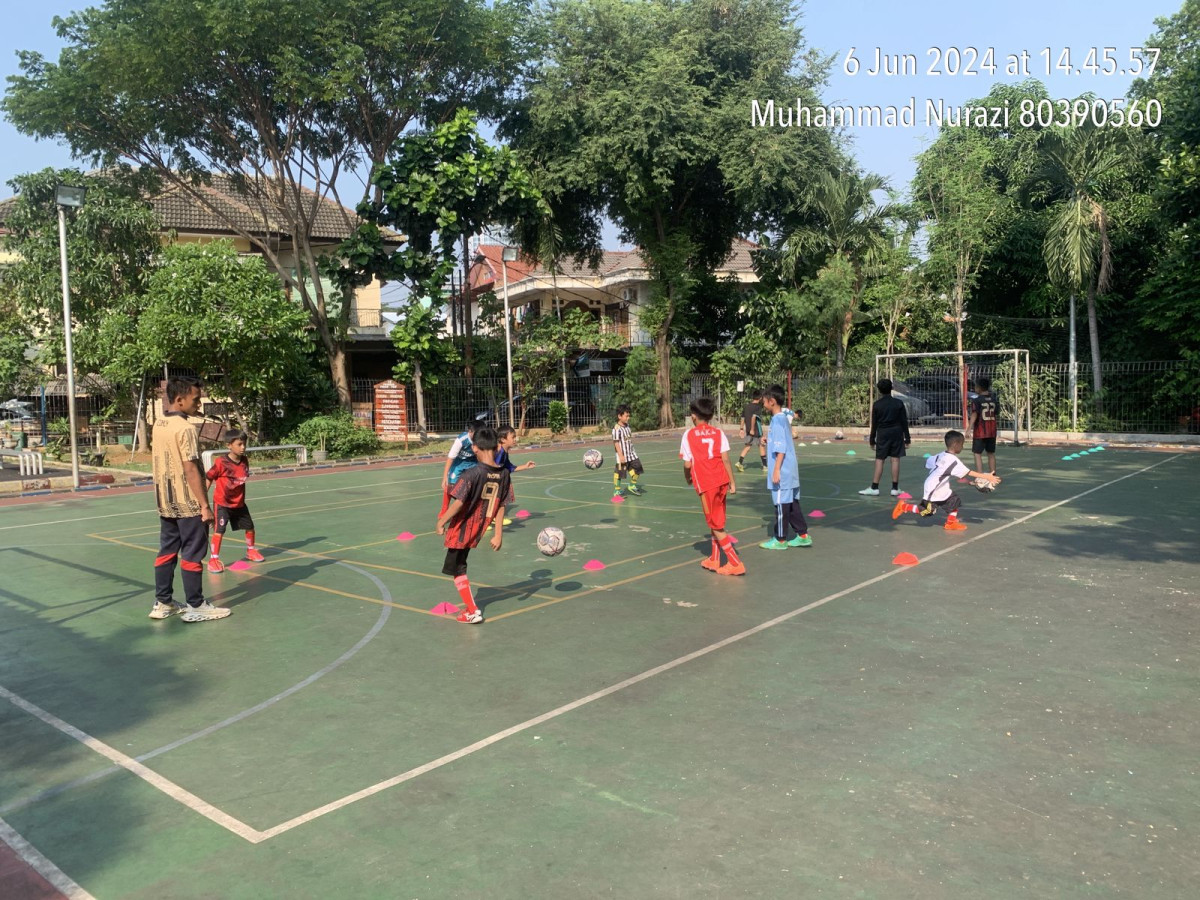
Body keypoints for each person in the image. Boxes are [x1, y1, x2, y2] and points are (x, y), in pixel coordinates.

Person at [148, 376, 230, 622]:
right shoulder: (185, 429)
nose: (199, 404)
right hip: (188, 502)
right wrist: (205, 505)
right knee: (194, 552)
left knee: (167, 551)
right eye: (196, 399)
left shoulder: (159, 423)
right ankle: (196, 605)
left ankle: (163, 602)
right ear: (179, 399)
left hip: (165, 500)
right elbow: (191, 468)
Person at [435, 426, 513, 625]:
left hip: (462, 528)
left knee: (457, 569)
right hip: (479, 527)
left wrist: (442, 520)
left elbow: (459, 502)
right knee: (459, 567)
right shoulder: (504, 473)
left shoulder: (471, 474)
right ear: (496, 446)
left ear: (476, 448)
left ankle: (472, 611)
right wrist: (498, 534)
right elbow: (503, 503)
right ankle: (471, 608)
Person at [680, 397, 744, 575]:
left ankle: (735, 562)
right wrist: (732, 482)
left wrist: (687, 478)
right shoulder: (718, 433)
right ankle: (715, 558)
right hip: (722, 481)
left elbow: (687, 464)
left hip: (706, 483)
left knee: (716, 525)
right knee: (716, 519)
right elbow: (725, 459)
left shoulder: (689, 435)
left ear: (694, 416)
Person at [892, 429, 1000, 531]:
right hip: (933, 487)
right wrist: (988, 477)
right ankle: (904, 507)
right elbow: (968, 472)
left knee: (954, 501)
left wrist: (972, 482)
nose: (962, 447)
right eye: (962, 445)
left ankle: (950, 523)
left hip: (942, 486)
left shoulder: (941, 455)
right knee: (928, 511)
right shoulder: (953, 460)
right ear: (955, 445)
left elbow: (929, 463)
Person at [759, 385, 811, 550]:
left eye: (765, 400)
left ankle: (780, 539)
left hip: (782, 470)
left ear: (772, 401)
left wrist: (775, 470)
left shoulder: (777, 420)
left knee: (781, 504)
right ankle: (802, 535)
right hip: (790, 469)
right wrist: (769, 440)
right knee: (792, 503)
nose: (763, 403)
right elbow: (782, 441)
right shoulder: (783, 419)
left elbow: (780, 449)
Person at [204, 429, 263, 573]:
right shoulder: (221, 462)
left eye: (245, 444)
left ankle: (251, 551)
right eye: (239, 444)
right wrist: (203, 500)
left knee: (250, 527)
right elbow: (209, 478)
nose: (243, 447)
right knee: (219, 531)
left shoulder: (244, 461)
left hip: (239, 503)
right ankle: (213, 560)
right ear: (229, 445)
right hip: (222, 503)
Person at [859, 378, 911, 497]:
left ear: (879, 390)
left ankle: (874, 487)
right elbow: (904, 422)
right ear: (892, 388)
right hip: (896, 433)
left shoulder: (877, 405)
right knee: (895, 459)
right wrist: (907, 438)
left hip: (883, 433)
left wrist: (872, 440)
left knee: (879, 459)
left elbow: (874, 424)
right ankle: (894, 488)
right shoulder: (898, 403)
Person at [494, 425, 535, 527]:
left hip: (495, 481)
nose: (515, 439)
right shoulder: (498, 452)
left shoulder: (504, 452)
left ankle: (495, 519)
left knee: (499, 501)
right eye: (512, 437)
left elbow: (509, 467)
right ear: (503, 439)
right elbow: (491, 468)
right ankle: (487, 521)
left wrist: (525, 466)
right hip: (487, 480)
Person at [440, 420, 478, 516]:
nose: (478, 436)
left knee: (477, 487)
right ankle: (445, 510)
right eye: (476, 433)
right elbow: (450, 457)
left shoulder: (481, 439)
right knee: (449, 486)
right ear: (470, 431)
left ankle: (474, 509)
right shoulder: (461, 440)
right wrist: (445, 477)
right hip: (458, 464)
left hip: (473, 464)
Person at [968, 376, 999, 475]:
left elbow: (974, 414)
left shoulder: (977, 400)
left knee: (977, 453)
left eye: (976, 387)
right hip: (992, 430)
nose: (974, 388)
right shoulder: (994, 399)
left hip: (980, 431)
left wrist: (969, 428)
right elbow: (996, 412)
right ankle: (993, 474)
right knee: (991, 453)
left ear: (979, 388)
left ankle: (980, 475)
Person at [612, 405, 645, 497]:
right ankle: (617, 491)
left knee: (638, 469)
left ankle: (632, 486)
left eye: (629, 416)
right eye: (626, 416)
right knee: (619, 473)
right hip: (622, 456)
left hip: (632, 454)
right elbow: (616, 443)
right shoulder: (616, 429)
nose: (628, 418)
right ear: (619, 416)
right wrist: (621, 456)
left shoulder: (627, 426)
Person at [735, 389, 767, 472]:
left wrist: (741, 429)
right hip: (756, 430)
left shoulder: (746, 406)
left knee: (747, 446)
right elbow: (754, 417)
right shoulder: (758, 407)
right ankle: (765, 466)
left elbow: (742, 418)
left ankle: (739, 462)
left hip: (748, 430)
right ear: (760, 398)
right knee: (762, 446)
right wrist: (753, 429)